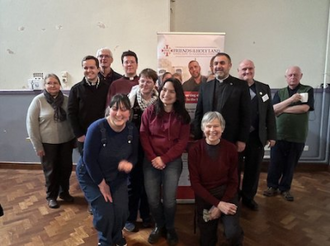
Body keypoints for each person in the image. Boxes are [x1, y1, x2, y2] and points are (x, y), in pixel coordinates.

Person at [76, 94, 138, 246]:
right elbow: (88, 159)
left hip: (117, 176)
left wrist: (129, 164)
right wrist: (102, 184)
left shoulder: (132, 129)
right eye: (115, 108)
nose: (119, 114)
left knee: (122, 211)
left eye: (124, 109)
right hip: (91, 176)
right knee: (105, 213)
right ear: (109, 109)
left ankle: (117, 236)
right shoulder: (96, 128)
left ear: (129, 113)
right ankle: (105, 240)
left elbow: (135, 155)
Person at [140, 78, 190, 246]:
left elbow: (182, 142)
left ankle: (170, 227)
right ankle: (158, 226)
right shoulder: (150, 111)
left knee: (169, 200)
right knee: (153, 199)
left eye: (171, 91)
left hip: (172, 162)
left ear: (177, 95)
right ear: (159, 90)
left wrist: (165, 159)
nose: (166, 94)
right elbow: (143, 135)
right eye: (164, 90)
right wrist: (154, 157)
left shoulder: (182, 115)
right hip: (150, 161)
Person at [188, 111, 243, 246]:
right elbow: (195, 184)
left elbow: (234, 181)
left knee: (233, 234)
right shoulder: (195, 149)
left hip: (227, 194)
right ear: (202, 128)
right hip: (205, 196)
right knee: (207, 241)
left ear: (222, 128)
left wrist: (221, 205)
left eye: (216, 126)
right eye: (208, 126)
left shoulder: (230, 149)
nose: (212, 130)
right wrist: (218, 204)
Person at [263, 66, 314, 202]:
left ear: (301, 76)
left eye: (295, 75)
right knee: (275, 163)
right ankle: (272, 186)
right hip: (278, 134)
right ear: (286, 77)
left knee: (290, 165)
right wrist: (291, 100)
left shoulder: (307, 90)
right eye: (290, 75)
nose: (293, 77)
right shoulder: (280, 93)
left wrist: (283, 109)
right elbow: (273, 109)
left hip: (297, 135)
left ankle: (285, 188)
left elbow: (304, 108)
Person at [26, 74, 75, 209]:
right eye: (49, 83)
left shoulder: (66, 100)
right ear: (44, 86)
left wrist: (74, 139)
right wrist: (37, 146)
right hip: (47, 143)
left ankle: (64, 192)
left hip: (66, 141)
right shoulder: (38, 101)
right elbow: (31, 125)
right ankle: (51, 196)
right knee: (50, 171)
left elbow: (72, 120)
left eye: (55, 83)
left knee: (66, 169)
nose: (52, 86)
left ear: (60, 85)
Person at [237, 59, 277, 211]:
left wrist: (272, 135)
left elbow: (269, 113)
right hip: (237, 138)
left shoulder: (263, 88)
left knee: (253, 171)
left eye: (250, 68)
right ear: (238, 71)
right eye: (244, 69)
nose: (247, 72)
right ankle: (234, 198)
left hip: (256, 137)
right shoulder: (233, 87)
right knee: (234, 170)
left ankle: (248, 198)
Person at [194, 52, 251, 154]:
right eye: (216, 64)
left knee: (231, 168)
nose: (218, 66)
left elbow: (246, 115)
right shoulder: (205, 87)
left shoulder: (241, 86)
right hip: (208, 138)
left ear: (229, 65)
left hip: (231, 138)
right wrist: (198, 136)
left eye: (222, 63)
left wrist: (242, 139)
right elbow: (199, 112)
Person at [124, 68, 159, 232]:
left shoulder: (159, 102)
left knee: (148, 184)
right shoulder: (130, 99)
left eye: (149, 81)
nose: (145, 84)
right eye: (143, 80)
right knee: (133, 184)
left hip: (152, 149)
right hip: (134, 148)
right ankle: (130, 218)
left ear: (154, 84)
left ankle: (146, 216)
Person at [68, 55, 109, 155]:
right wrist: (79, 135)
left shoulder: (107, 87)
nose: (88, 70)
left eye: (92, 67)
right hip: (84, 136)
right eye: (85, 68)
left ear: (98, 69)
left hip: (103, 134)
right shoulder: (76, 89)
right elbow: (71, 114)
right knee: (87, 164)